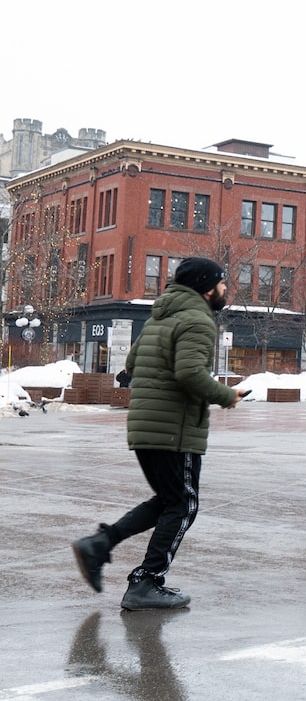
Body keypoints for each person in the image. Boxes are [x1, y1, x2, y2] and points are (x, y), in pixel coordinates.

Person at [71, 257, 247, 611]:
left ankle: (100, 544)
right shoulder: (197, 318)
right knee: (184, 503)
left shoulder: (160, 317)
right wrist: (226, 395)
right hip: (174, 430)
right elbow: (189, 374)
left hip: (145, 426)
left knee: (168, 499)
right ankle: (146, 582)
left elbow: (132, 366)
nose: (226, 290)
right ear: (207, 287)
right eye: (223, 283)